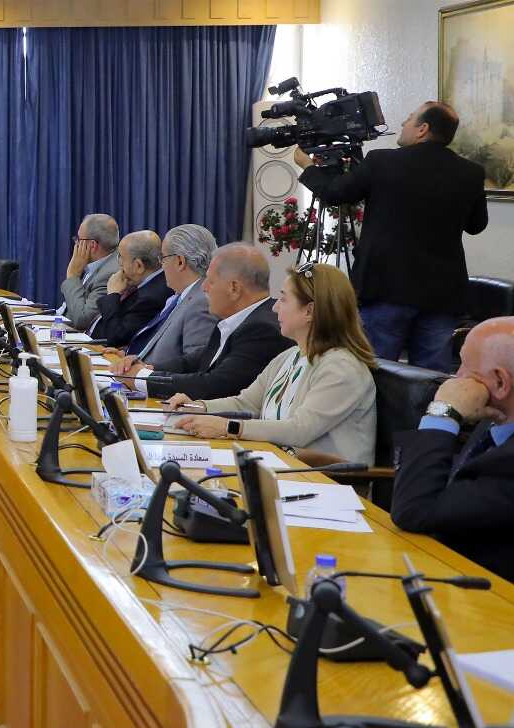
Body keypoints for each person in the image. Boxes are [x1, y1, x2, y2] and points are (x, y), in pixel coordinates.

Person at [297, 101, 488, 373]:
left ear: (422, 129)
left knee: (373, 372)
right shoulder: (471, 172)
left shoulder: (381, 162)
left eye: (409, 118)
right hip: (442, 295)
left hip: (384, 289)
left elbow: (335, 193)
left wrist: (307, 166)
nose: (403, 123)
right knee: (431, 378)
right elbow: (476, 225)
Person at [389, 316, 514, 585]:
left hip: (490, 595)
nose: (455, 378)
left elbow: (414, 511)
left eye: (464, 366)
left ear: (500, 383)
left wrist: (442, 414)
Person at [169, 263, 378, 465]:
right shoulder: (289, 356)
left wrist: (228, 427)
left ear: (309, 311)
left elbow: (299, 430)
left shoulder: (342, 369)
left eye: (284, 300)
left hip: (323, 481)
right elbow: (246, 403)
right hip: (280, 467)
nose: (275, 307)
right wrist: (198, 407)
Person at [118, 244, 293, 400]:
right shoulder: (241, 318)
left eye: (210, 281)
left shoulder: (262, 329)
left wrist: (142, 379)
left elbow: (214, 385)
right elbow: (200, 359)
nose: (204, 287)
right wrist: (148, 367)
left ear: (234, 288)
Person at [123, 224, 219, 371]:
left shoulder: (201, 302)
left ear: (180, 261)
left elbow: (195, 365)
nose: (162, 266)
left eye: (163, 258)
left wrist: (145, 371)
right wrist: (132, 357)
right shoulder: (181, 297)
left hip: (154, 383)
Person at [89, 230, 170, 350]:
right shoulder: (146, 283)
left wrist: (113, 295)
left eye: (121, 257)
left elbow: (115, 338)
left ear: (138, 266)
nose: (119, 264)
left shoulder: (150, 298)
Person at [55, 213, 121, 332]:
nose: (76, 244)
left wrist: (72, 276)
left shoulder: (110, 274)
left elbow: (82, 320)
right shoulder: (98, 263)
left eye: (79, 240)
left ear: (92, 245)